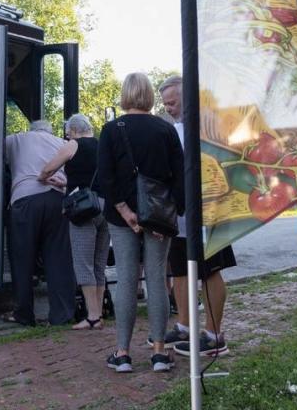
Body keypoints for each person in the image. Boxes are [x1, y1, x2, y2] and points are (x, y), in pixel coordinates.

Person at [98, 72, 184, 373]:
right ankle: (159, 353)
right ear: (149, 95)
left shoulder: (110, 130)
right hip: (157, 217)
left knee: (126, 278)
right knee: (157, 279)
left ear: (125, 94)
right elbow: (179, 178)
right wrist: (170, 215)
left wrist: (125, 211)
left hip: (121, 219)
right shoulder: (166, 130)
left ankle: (122, 354)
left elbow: (105, 178)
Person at [158, 76, 236, 358]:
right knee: (179, 269)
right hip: (179, 214)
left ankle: (214, 334)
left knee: (210, 270)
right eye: (165, 104)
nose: (168, 108)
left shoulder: (207, 124)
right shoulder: (173, 128)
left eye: (173, 102)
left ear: (187, 97)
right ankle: (184, 326)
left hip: (209, 210)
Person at [1, 120, 76, 326]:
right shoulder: (62, 143)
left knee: (22, 259)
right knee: (58, 258)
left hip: (25, 200)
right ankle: (62, 315)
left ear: (32, 130)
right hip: (57, 200)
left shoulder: (18, 139)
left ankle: (23, 314)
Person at [39, 114, 110, 329]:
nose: (67, 136)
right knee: (99, 263)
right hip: (105, 207)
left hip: (83, 210)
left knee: (83, 262)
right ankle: (99, 312)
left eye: (68, 133)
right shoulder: (102, 145)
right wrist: (66, 184)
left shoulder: (73, 145)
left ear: (73, 131)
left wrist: (43, 178)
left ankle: (93, 316)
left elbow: (48, 168)